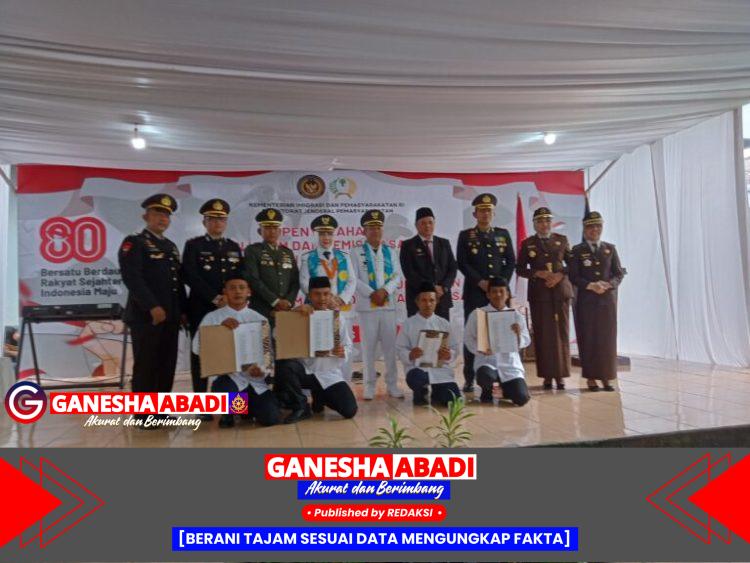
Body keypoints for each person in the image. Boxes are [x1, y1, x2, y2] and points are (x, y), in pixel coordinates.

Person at [118, 194, 186, 420]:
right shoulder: (135, 242)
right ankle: (144, 415)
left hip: (171, 315)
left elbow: (177, 282)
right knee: (146, 364)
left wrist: (182, 311)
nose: (162, 218)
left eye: (166, 215)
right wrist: (152, 306)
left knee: (166, 364)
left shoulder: (170, 246)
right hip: (146, 316)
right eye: (157, 213)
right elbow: (132, 278)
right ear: (145, 216)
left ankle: (161, 411)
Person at [182, 198, 243, 421]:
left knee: (231, 353)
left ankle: (233, 405)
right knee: (199, 355)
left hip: (229, 309)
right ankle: (202, 406)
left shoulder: (233, 247)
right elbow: (190, 275)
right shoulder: (194, 245)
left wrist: (231, 298)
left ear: (226, 222)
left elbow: (239, 277)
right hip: (202, 308)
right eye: (213, 219)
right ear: (204, 222)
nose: (218, 223)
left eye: (221, 219)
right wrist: (215, 297)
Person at [191, 276, 281, 428]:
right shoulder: (213, 318)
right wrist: (219, 330)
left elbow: (268, 354)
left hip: (255, 380)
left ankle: (245, 409)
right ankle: (231, 413)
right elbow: (196, 348)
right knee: (224, 389)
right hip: (229, 379)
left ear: (249, 292)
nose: (237, 292)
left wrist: (263, 370)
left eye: (241, 287)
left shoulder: (260, 319)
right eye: (232, 288)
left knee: (270, 419)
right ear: (225, 292)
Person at [274, 277, 358, 423]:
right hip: (301, 372)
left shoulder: (336, 318)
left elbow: (348, 345)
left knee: (349, 410)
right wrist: (292, 314)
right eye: (317, 294)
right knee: (265, 412)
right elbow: (276, 334)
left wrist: (342, 351)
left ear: (331, 295)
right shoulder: (298, 314)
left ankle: (321, 395)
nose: (322, 298)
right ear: (309, 295)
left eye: (326, 294)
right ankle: (301, 406)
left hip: (328, 374)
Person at [456, 193, 515, 392]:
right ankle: (470, 377)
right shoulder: (466, 235)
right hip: (476, 292)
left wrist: (500, 286)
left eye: (489, 210)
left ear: (494, 213)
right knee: (474, 334)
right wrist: (480, 282)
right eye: (481, 210)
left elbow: (510, 261)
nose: (485, 214)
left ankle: (505, 375)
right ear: (475, 214)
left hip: (499, 295)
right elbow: (462, 263)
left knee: (502, 334)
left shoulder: (503, 234)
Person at [516, 207, 573, 390]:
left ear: (551, 222)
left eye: (547, 220)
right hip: (539, 295)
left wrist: (559, 275)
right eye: (540, 221)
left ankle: (561, 375)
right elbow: (520, 269)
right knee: (543, 335)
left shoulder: (562, 240)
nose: (544, 224)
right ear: (534, 224)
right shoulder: (528, 243)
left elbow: (573, 264)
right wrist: (537, 273)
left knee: (561, 333)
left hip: (560, 293)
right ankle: (547, 376)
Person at [568, 211, 626, 392]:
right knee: (589, 338)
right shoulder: (577, 251)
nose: (595, 229)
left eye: (598, 226)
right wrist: (590, 285)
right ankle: (591, 378)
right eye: (591, 226)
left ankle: (607, 377)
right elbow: (573, 276)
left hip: (607, 302)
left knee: (607, 340)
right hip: (586, 301)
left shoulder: (610, 249)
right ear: (585, 229)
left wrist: (609, 284)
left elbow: (618, 274)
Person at [299, 214, 358, 381]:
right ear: (317, 235)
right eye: (322, 233)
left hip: (340, 308)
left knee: (342, 348)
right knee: (317, 346)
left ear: (334, 235)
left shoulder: (344, 256)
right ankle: (313, 383)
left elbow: (352, 280)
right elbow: (304, 282)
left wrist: (340, 299)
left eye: (329, 233)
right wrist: (324, 299)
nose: (326, 237)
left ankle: (342, 382)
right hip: (317, 309)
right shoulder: (308, 257)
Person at [354, 209, 404, 400]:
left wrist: (385, 291)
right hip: (367, 308)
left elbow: (397, 276)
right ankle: (369, 386)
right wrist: (371, 293)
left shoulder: (391, 251)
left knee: (390, 348)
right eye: (371, 228)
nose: (375, 231)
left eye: (378, 227)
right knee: (368, 349)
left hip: (388, 306)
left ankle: (392, 385)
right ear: (364, 231)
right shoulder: (356, 252)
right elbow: (353, 278)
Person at [464, 278, 531, 407]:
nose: (498, 295)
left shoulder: (516, 315)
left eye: (501, 291)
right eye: (494, 292)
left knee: (522, 398)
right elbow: (468, 338)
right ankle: (487, 390)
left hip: (510, 366)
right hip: (487, 362)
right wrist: (480, 349)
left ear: (507, 294)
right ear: (488, 294)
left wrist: (518, 335)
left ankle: (504, 390)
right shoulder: (478, 314)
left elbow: (526, 339)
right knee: (485, 376)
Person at [396, 282, 460, 406]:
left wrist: (448, 354)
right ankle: (421, 392)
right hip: (417, 369)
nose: (428, 304)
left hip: (440, 370)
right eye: (424, 300)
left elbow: (454, 348)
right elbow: (400, 348)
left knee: (453, 400)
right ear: (417, 302)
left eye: (431, 300)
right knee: (416, 378)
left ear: (437, 301)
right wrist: (410, 354)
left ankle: (437, 392)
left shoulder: (444, 323)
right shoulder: (408, 324)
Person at [400, 207, 457, 320]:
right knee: (419, 330)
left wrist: (444, 287)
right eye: (423, 223)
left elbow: (452, 268)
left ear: (434, 223)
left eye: (430, 222)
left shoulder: (444, 243)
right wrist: (431, 289)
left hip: (442, 298)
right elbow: (409, 273)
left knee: (442, 330)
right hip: (419, 299)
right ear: (416, 225)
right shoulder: (408, 245)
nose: (427, 226)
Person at [244, 208, 300, 324]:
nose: (272, 231)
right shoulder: (253, 250)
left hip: (285, 309)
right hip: (261, 308)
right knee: (262, 336)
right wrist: (275, 301)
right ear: (259, 231)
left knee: (285, 335)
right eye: (268, 228)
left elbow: (295, 281)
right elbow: (253, 279)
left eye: (275, 228)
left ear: (280, 231)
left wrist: (289, 302)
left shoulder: (287, 252)